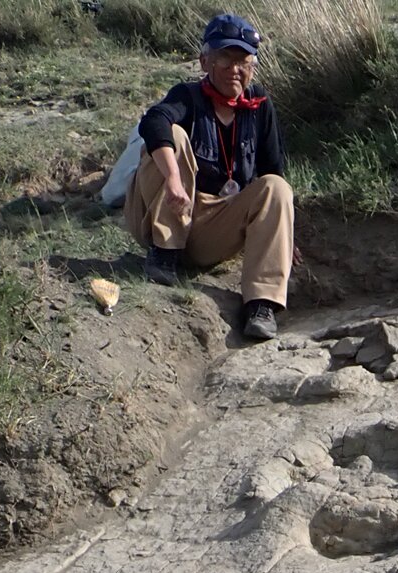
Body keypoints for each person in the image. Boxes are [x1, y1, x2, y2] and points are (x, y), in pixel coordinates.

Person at [125, 13, 294, 341]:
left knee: (277, 187)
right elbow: (153, 123)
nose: (235, 69)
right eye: (225, 58)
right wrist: (173, 179)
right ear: (205, 61)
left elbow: (273, 171)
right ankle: (164, 254)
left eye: (244, 60)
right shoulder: (187, 96)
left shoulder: (259, 106)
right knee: (172, 135)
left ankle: (260, 304)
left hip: (214, 226)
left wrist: (282, 232)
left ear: (253, 66)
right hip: (169, 212)